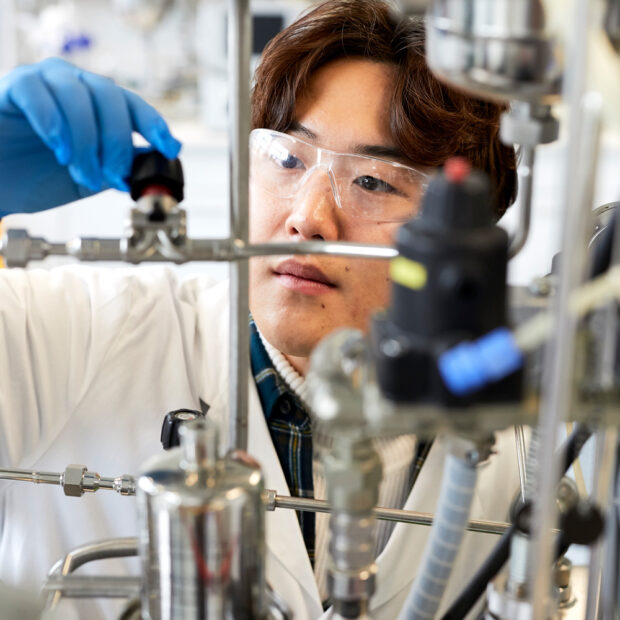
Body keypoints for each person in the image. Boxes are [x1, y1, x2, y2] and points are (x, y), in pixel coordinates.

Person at [0, 1, 520, 618]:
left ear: (461, 237)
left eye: (375, 181)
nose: (308, 217)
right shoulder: (76, 336)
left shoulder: (515, 435)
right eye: (288, 159)